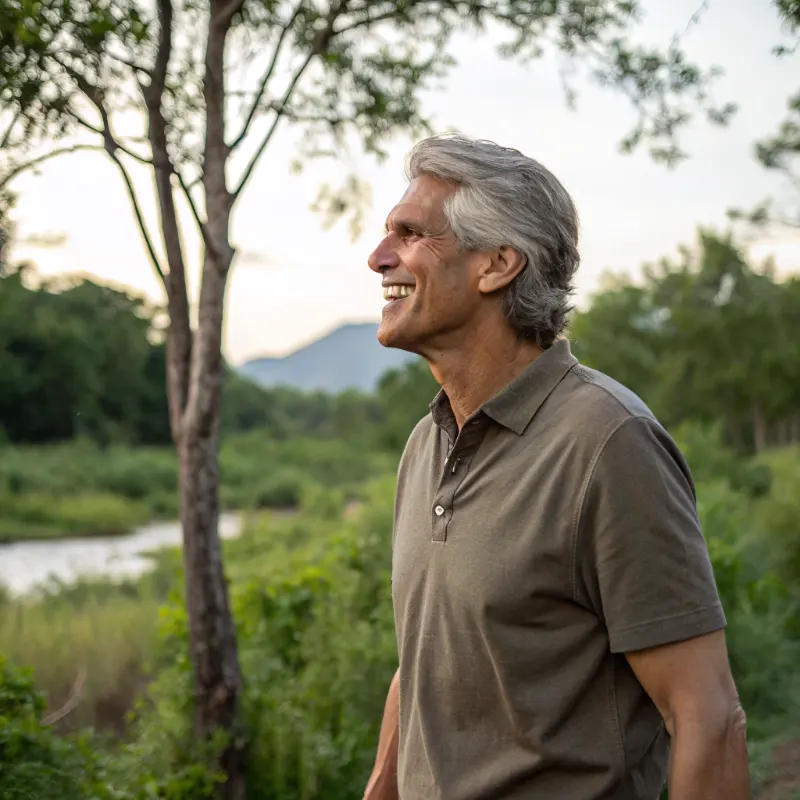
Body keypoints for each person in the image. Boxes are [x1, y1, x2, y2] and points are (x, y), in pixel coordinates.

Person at [362, 134, 749, 800]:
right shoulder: (426, 443)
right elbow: (424, 662)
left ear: (498, 265)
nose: (378, 257)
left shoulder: (607, 441)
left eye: (411, 233)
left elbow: (707, 718)